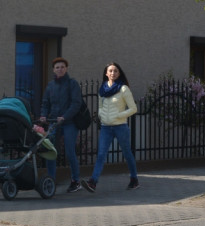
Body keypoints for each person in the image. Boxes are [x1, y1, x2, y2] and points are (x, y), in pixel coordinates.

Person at [83, 62, 139, 192]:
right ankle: (93, 182)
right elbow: (101, 106)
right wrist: (102, 116)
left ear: (119, 74)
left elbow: (133, 108)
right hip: (106, 127)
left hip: (120, 126)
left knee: (127, 153)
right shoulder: (102, 89)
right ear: (106, 73)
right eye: (110, 71)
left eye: (116, 71)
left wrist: (119, 115)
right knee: (101, 154)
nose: (113, 73)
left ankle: (134, 179)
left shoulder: (123, 89)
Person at [39, 56, 85, 193]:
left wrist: (64, 117)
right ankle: (51, 181)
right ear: (53, 70)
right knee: (51, 152)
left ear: (66, 69)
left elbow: (76, 103)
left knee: (70, 152)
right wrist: (43, 115)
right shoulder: (50, 86)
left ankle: (76, 181)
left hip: (69, 123)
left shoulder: (72, 84)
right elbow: (45, 103)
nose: (60, 69)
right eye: (57, 67)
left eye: (62, 67)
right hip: (54, 123)